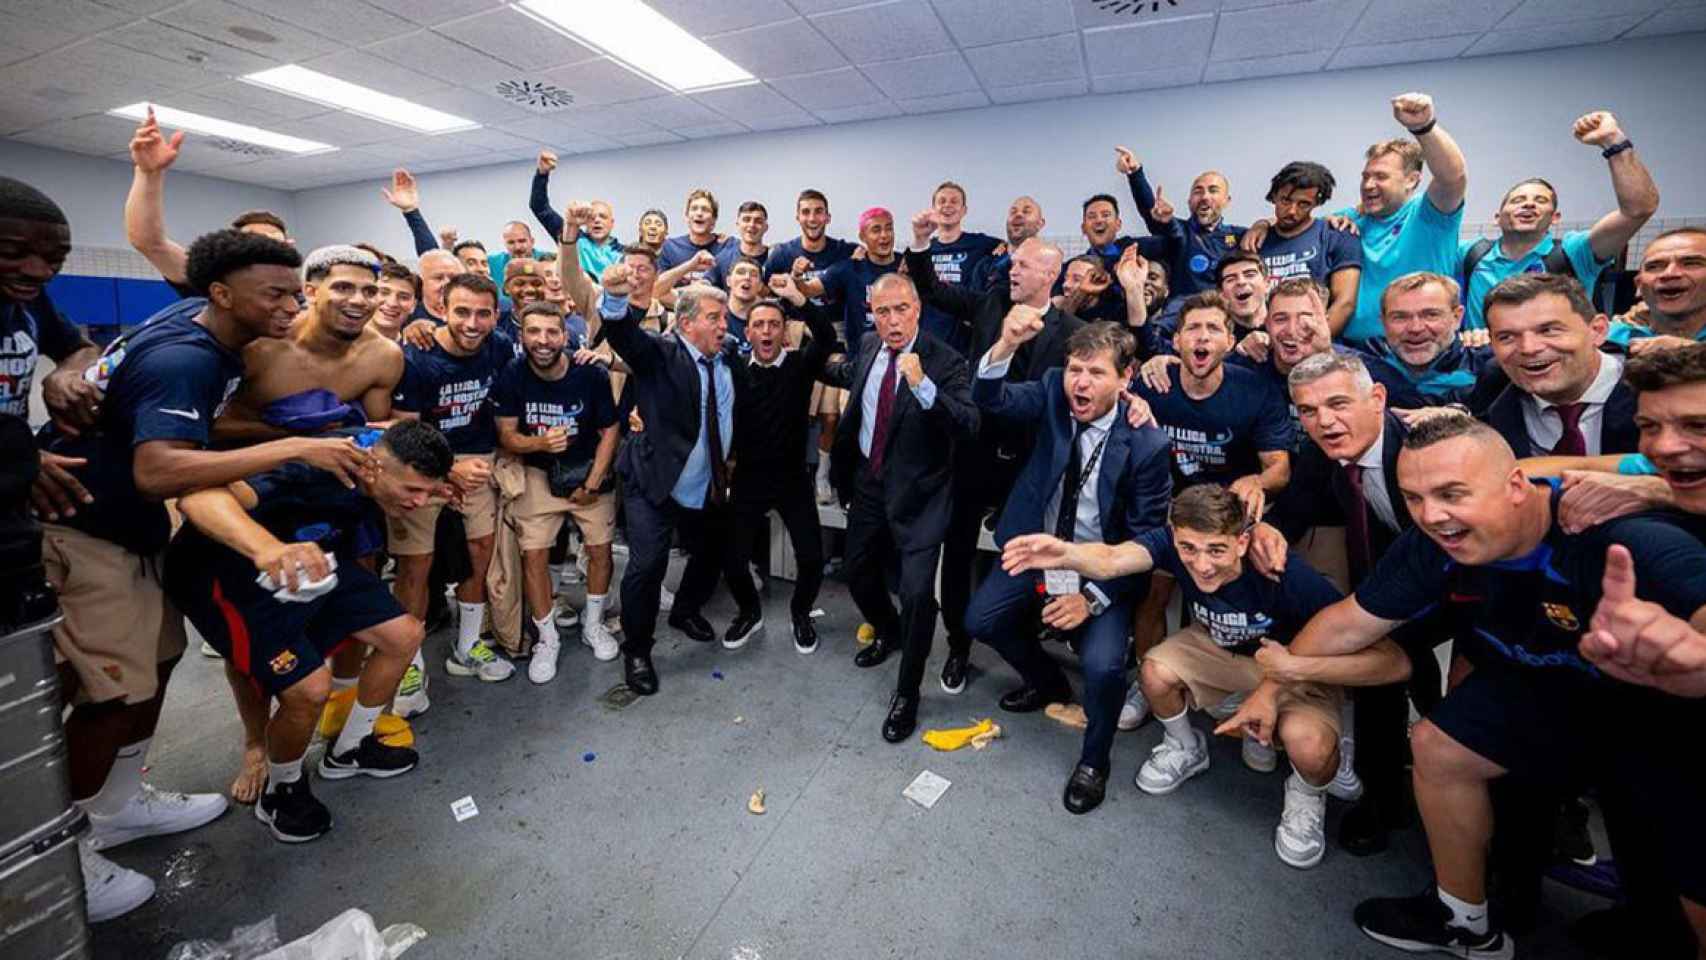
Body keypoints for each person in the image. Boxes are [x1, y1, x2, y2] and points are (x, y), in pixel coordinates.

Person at [1214, 413, 1706, 958]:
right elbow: (1349, 621)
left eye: (1452, 494)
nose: (1433, 515)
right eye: (1415, 499)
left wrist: (1689, 656)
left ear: (1517, 485)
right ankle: (1465, 922)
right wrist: (1271, 687)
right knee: (1437, 745)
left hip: (1666, 707)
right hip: (1546, 685)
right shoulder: (1432, 543)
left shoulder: (1621, 538)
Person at [33, 229, 367, 921]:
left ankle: (121, 805)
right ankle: (63, 853)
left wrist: (73, 360)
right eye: (275, 294)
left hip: (129, 532)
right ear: (222, 295)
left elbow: (97, 354)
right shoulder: (188, 358)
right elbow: (158, 470)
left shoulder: (198, 318)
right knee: (111, 692)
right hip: (86, 528)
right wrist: (297, 443)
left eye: (294, 290)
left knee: (155, 665)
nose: (290, 306)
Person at [1005, 484, 1406, 866]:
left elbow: (1394, 662)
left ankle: (1305, 796)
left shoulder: (1286, 575)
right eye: (1189, 549)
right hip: (1217, 649)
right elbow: (1112, 559)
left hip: (1288, 665)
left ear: (1243, 542)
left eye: (1217, 550)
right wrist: (1065, 553)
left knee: (1312, 748)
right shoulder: (1172, 544)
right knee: (1154, 672)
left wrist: (1294, 668)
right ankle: (1185, 747)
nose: (1202, 564)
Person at [166, 421, 448, 843]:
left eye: (428, 491)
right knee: (308, 689)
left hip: (313, 559)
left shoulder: (379, 453)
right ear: (376, 467)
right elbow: (198, 498)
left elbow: (393, 429)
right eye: (412, 490)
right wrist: (267, 548)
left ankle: (350, 748)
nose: (420, 501)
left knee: (404, 634)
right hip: (229, 574)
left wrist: (454, 472)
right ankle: (281, 789)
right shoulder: (308, 468)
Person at [206, 244, 409, 802]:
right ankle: (255, 743)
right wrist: (298, 440)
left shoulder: (384, 356)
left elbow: (371, 435)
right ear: (310, 290)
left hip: (333, 507)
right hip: (253, 505)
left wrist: (421, 471)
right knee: (249, 647)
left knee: (367, 626)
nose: (360, 300)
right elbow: (210, 431)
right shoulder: (257, 350)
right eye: (343, 287)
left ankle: (343, 732)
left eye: (369, 289)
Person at [968, 318, 1171, 814]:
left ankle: (1094, 761)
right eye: (1075, 369)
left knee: (1102, 669)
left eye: (1096, 372)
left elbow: (1149, 541)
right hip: (1036, 550)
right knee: (981, 620)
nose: (1080, 383)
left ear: (1127, 378)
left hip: (1099, 570)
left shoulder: (1147, 443)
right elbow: (990, 398)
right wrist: (1007, 342)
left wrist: (1092, 598)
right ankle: (1047, 684)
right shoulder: (1053, 395)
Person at [904, 218, 1080, 695]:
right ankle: (959, 646)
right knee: (957, 555)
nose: (1012, 269)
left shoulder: (1075, 332)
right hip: (973, 454)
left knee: (1028, 558)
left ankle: (1036, 652)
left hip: (1033, 466)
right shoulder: (988, 304)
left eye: (1023, 263)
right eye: (1011, 261)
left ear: (1051, 273)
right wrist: (921, 243)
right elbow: (931, 289)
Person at [1280, 351, 1445, 854]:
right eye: (1308, 411)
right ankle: (1385, 800)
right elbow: (1296, 505)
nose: (1324, 421)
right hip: (1397, 585)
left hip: (1469, 586)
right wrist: (1265, 531)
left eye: (1337, 403)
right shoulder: (1324, 454)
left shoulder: (1426, 446)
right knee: (1379, 681)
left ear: (1377, 398)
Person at [819, 273, 978, 742]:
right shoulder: (868, 346)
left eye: (900, 310)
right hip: (870, 480)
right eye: (882, 311)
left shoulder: (946, 360)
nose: (892, 320)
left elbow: (968, 423)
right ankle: (887, 632)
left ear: (917, 310)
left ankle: (907, 693)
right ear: (872, 313)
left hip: (923, 494)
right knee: (856, 570)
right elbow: (847, 379)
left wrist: (925, 387)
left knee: (915, 596)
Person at [597, 271, 752, 694]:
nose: (725, 325)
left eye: (725, 318)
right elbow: (625, 336)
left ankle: (684, 610)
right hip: (654, 480)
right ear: (686, 324)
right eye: (715, 317)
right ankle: (638, 649)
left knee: (711, 551)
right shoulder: (662, 353)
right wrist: (613, 298)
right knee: (648, 566)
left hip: (708, 482)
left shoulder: (728, 357)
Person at [1247, 93, 1467, 345]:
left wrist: (1424, 127)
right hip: (1358, 350)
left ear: (1412, 180)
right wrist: (1262, 225)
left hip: (1420, 342)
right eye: (1366, 176)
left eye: (1381, 177)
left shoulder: (1430, 214)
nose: (1369, 185)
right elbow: (1297, 219)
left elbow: (1453, 178)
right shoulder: (1348, 220)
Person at [389, 273, 516, 683]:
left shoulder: (497, 347)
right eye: (462, 311)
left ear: (497, 316)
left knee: (480, 551)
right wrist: (445, 471)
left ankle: (467, 646)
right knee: (416, 566)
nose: (472, 323)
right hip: (421, 466)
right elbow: (402, 434)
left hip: (477, 464)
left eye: (483, 314)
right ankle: (407, 661)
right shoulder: (415, 357)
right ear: (441, 309)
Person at [493, 301, 620, 681]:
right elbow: (506, 435)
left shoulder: (589, 374)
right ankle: (546, 639)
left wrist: (593, 482)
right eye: (534, 332)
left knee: (600, 550)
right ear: (522, 336)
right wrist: (540, 445)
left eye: (552, 332)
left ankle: (593, 624)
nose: (543, 341)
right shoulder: (512, 374)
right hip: (537, 473)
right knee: (533, 557)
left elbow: (610, 431)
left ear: (565, 336)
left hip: (588, 472)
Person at [1460, 110, 1658, 330]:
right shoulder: (1471, 254)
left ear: (1555, 218)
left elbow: (1638, 210)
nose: (1529, 204)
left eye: (1540, 200)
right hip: (1479, 360)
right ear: (1497, 218)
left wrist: (1614, 142)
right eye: (1518, 200)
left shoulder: (1574, 253)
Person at [727, 282, 841, 653]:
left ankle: (801, 614)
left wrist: (800, 300)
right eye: (758, 325)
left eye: (773, 324)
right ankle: (749, 613)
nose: (765, 331)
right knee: (733, 557)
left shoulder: (800, 364)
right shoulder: (732, 366)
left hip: (792, 478)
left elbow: (824, 335)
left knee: (811, 558)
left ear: (784, 330)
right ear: (747, 332)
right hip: (747, 478)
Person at [123, 107, 292, 297]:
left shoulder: (309, 301)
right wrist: (149, 173)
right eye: (252, 242)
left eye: (272, 243)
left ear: (288, 248)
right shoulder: (211, 284)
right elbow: (149, 242)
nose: (263, 249)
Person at [764, 189, 859, 503]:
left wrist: (863, 254)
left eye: (818, 211)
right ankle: (791, 473)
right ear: (798, 217)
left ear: (827, 217)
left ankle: (824, 473)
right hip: (793, 334)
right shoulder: (781, 253)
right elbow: (770, 295)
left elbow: (869, 259)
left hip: (833, 335)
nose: (812, 218)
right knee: (794, 408)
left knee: (833, 413)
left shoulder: (845, 252)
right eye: (806, 212)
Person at [1481, 273, 1635, 458]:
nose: (1528, 348)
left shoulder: (1657, 386)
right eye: (1507, 337)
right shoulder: (1490, 392)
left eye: (1548, 330)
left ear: (1597, 331)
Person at [0, 177, 99, 429]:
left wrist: (66, 374)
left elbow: (82, 349)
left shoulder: (29, 304)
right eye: (11, 253)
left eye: (55, 258)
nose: (39, 272)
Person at [1253, 161, 1363, 335]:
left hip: (1313, 344)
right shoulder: (1256, 240)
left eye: (1303, 204)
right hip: (1262, 344)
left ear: (1316, 203)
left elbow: (1345, 303)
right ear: (1274, 196)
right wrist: (1261, 224)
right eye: (1285, 200)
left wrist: (1313, 344)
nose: (1291, 211)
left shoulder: (1338, 235)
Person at [1115, 146, 1238, 297]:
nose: (1205, 197)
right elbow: (1157, 216)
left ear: (1227, 201)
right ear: (1189, 201)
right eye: (1198, 191)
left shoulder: (1240, 236)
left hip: (1222, 315)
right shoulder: (1180, 232)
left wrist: (1263, 224)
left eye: (1213, 190)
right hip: (1180, 316)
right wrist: (1135, 174)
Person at [1358, 272, 1495, 406]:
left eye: (1430, 315)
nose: (1415, 328)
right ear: (1383, 322)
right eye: (1400, 317)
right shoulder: (1363, 363)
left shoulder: (1486, 366)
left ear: (1457, 317)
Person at [795, 207, 904, 352]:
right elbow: (807, 290)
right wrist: (797, 275)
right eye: (876, 230)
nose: (884, 235)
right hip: (861, 359)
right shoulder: (848, 268)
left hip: (902, 354)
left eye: (889, 228)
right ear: (862, 237)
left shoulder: (906, 264)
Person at [919, 181, 1002, 351]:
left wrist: (1003, 247)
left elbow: (1010, 247)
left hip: (963, 342)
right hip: (927, 338)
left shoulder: (980, 244)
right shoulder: (923, 250)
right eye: (942, 201)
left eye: (954, 201)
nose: (947, 205)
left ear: (964, 210)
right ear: (933, 209)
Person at [529, 150, 622, 277]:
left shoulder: (624, 253)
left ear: (612, 223)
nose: (597, 221)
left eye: (603, 217)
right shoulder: (573, 238)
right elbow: (540, 208)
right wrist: (542, 174)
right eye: (591, 217)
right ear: (585, 221)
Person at [967, 195, 1046, 294]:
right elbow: (973, 304)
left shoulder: (1049, 265)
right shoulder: (985, 266)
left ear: (1040, 223)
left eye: (1026, 212)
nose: (1018, 215)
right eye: (1013, 212)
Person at [657, 189, 730, 288]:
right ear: (687, 217)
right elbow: (656, 288)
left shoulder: (727, 247)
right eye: (694, 208)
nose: (699, 213)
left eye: (705, 209)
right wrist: (689, 266)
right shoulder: (670, 247)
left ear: (714, 219)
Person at [703, 201, 769, 290]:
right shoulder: (723, 260)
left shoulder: (776, 258)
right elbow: (703, 285)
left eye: (758, 221)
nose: (752, 225)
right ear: (738, 225)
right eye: (746, 219)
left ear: (765, 227)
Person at [372, 262, 419, 341]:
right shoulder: (344, 344)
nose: (392, 303)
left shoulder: (416, 349)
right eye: (384, 293)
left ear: (414, 305)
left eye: (403, 297)